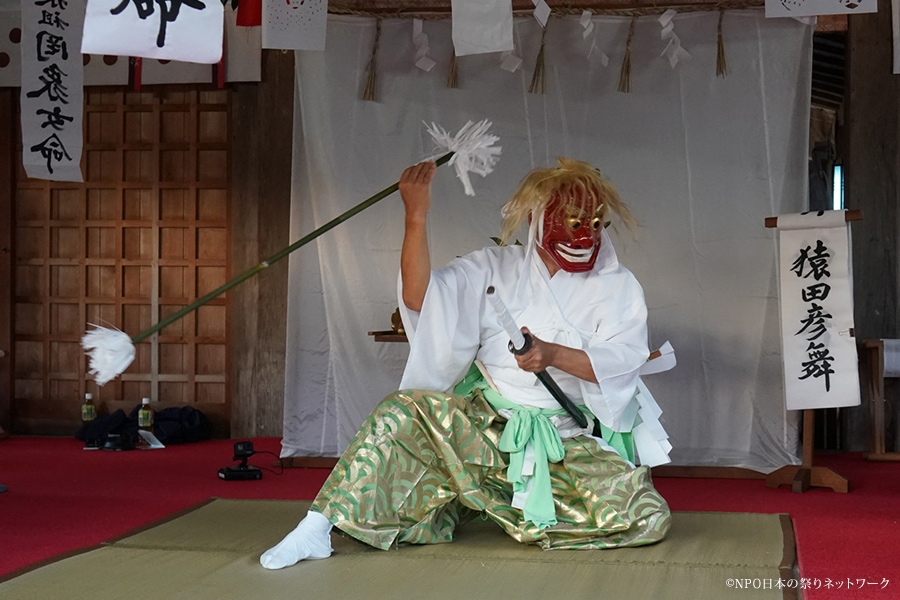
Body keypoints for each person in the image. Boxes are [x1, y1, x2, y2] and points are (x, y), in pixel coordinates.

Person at [260, 158, 671, 570]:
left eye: (595, 224)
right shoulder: (493, 269)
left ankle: (503, 506)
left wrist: (554, 354)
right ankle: (317, 526)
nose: (585, 236)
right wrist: (416, 216)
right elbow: (423, 299)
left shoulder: (617, 286)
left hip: (563, 443)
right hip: (484, 434)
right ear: (537, 218)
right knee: (402, 412)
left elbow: (622, 362)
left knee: (644, 517)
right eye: (573, 223)